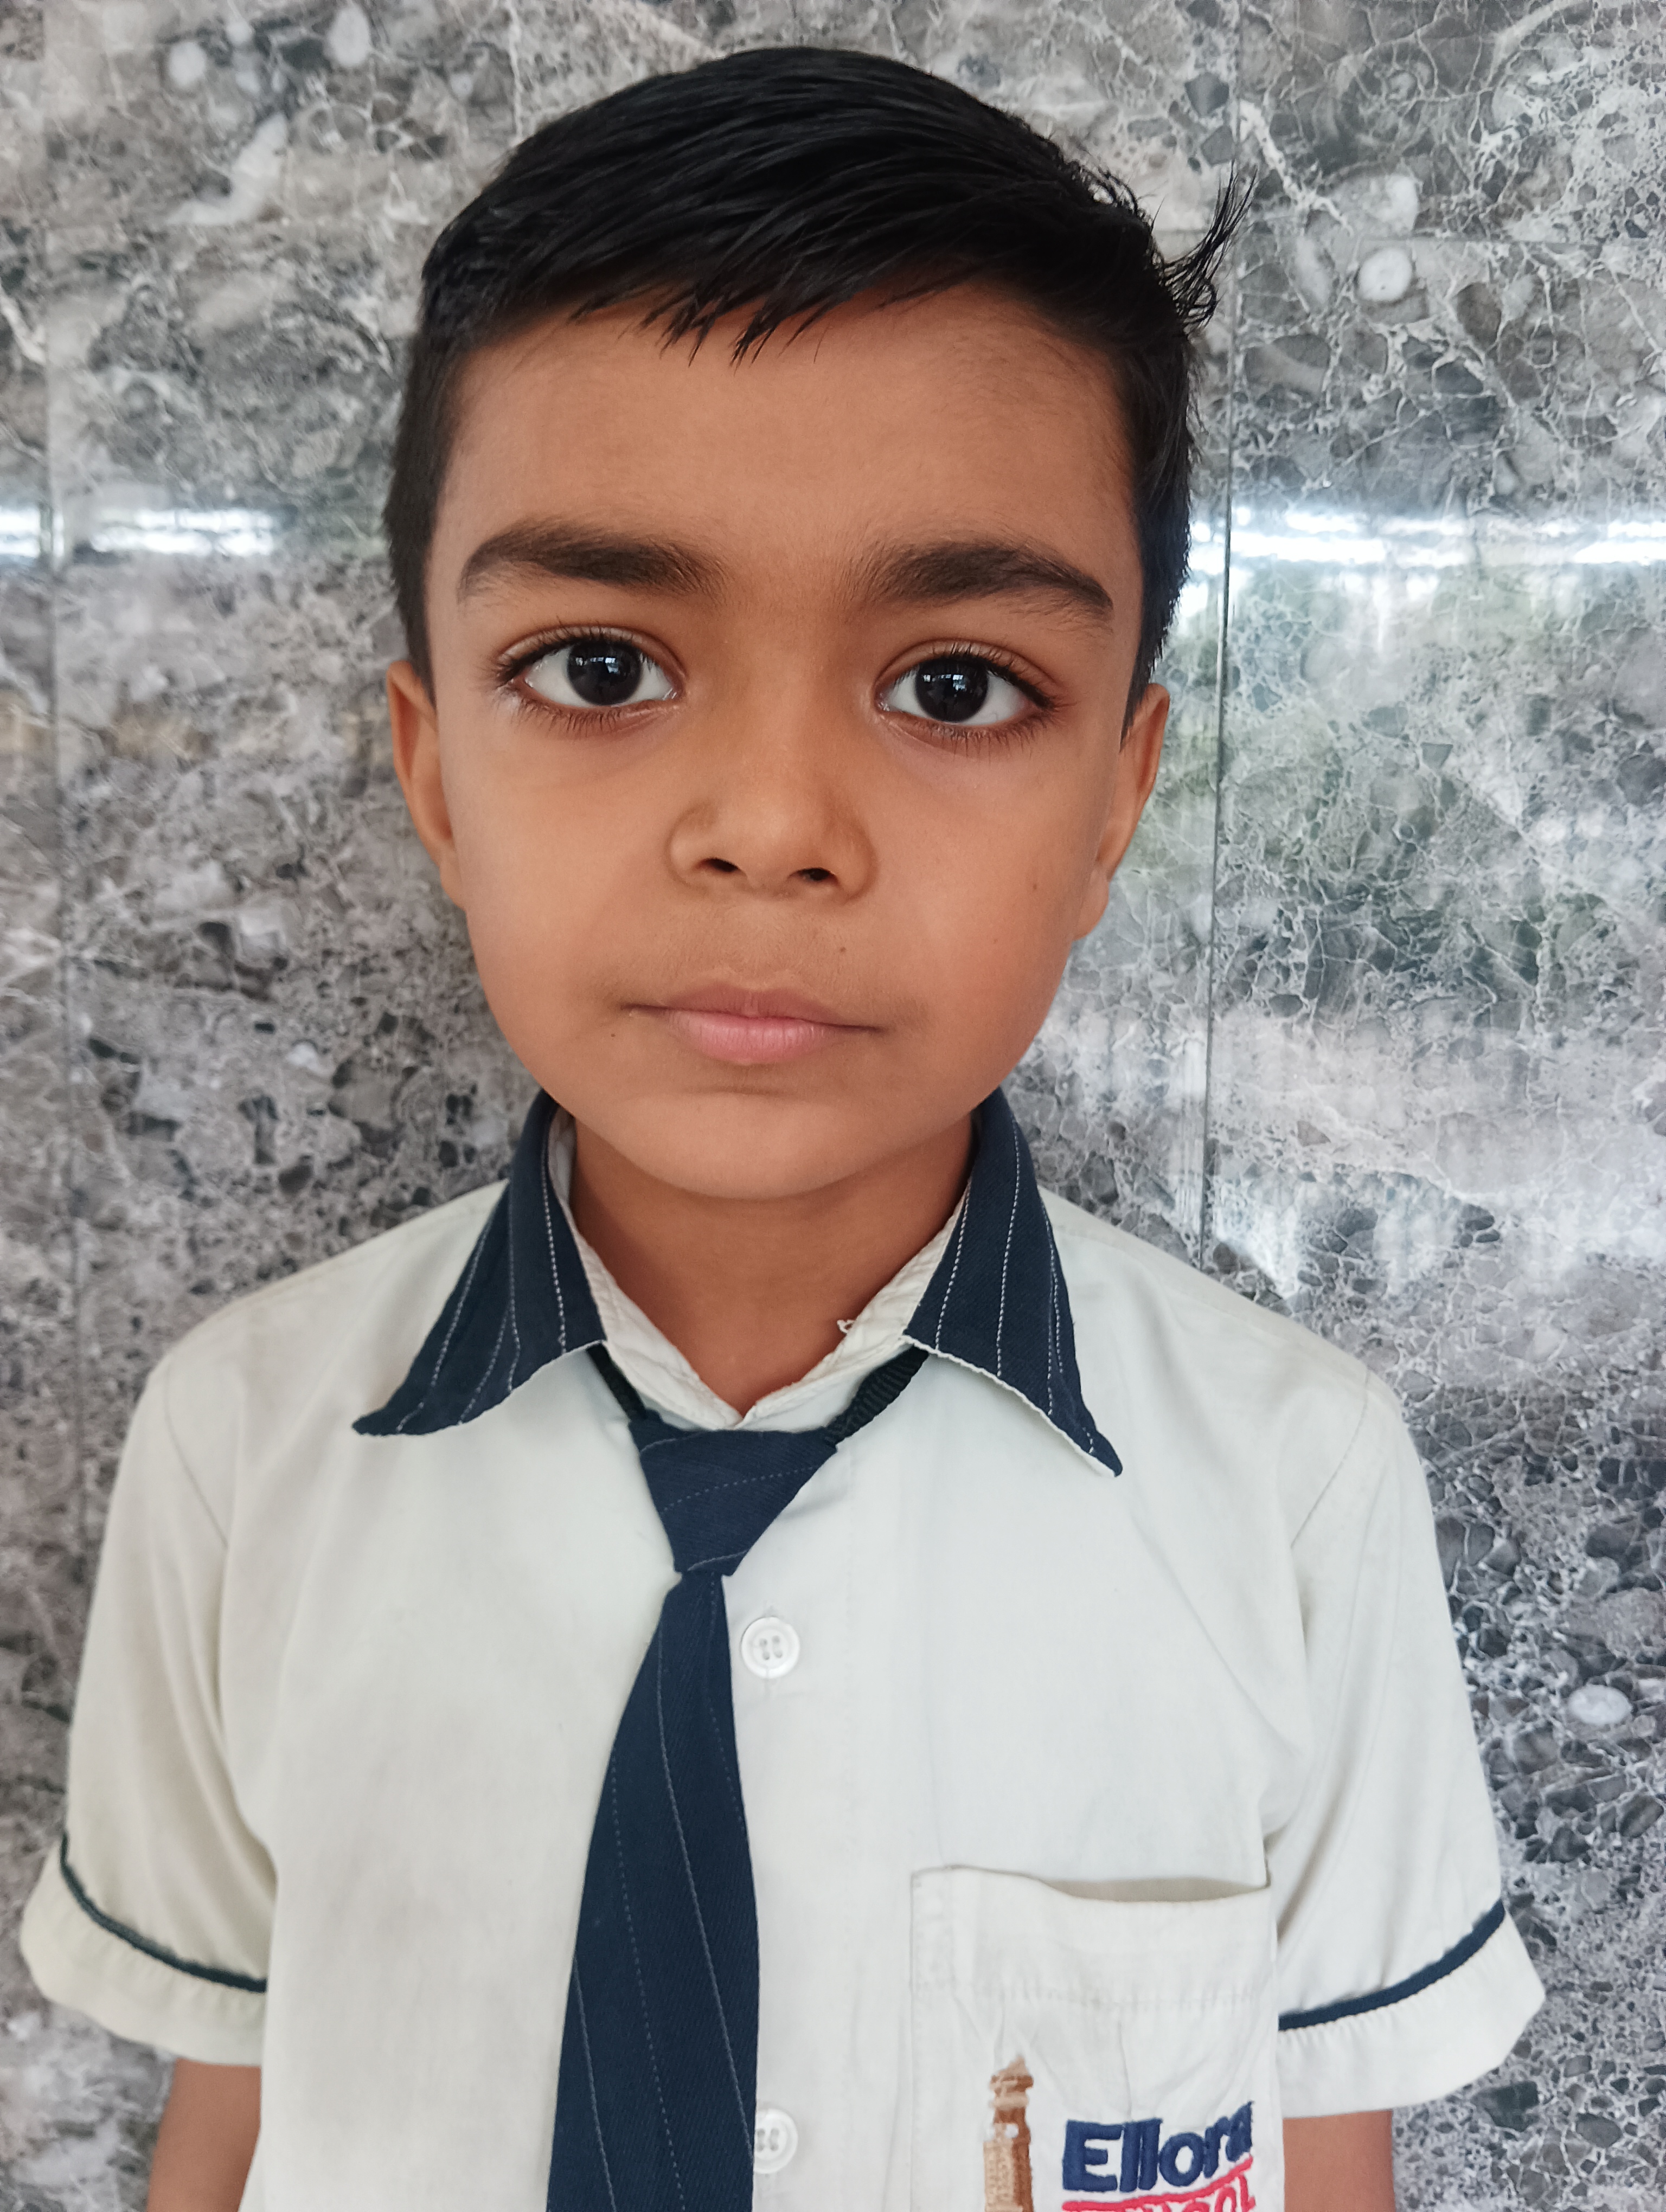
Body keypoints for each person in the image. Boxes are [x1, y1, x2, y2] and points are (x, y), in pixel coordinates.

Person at [20, 47, 1541, 2212]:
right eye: (601, 668)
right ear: (431, 768)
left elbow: (1323, 2156)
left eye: (954, 686)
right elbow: (232, 2115)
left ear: (1119, 796)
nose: (768, 827)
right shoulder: (246, 1447)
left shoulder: (1293, 1485)